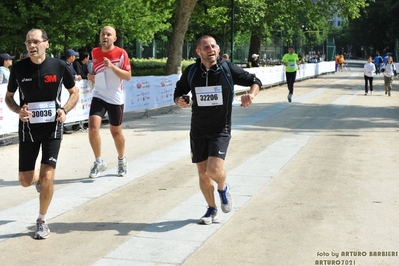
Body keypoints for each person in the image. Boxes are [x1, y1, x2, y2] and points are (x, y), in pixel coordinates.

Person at [174, 35, 262, 225]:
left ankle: (223, 187)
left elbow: (256, 81)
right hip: (197, 129)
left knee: (214, 170)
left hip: (220, 128)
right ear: (198, 52)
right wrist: (179, 100)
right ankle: (211, 209)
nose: (211, 49)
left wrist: (251, 95)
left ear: (218, 49)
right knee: (203, 173)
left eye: (213, 46)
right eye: (206, 47)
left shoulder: (227, 69)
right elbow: (179, 91)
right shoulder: (192, 71)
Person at [5, 28, 79, 239]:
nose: (31, 45)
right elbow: (9, 97)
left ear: (46, 43)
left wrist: (64, 110)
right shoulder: (18, 69)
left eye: (36, 41)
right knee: (25, 181)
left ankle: (41, 220)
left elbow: (74, 93)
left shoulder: (60, 66)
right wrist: (18, 110)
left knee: (48, 175)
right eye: (28, 42)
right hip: (28, 128)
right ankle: (39, 180)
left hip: (52, 127)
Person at [87, 26, 132, 178]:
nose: (105, 36)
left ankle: (121, 159)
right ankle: (99, 162)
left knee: (115, 132)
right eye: (103, 34)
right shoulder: (95, 52)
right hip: (99, 95)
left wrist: (112, 67)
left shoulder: (121, 53)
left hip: (115, 98)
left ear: (114, 38)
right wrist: (91, 76)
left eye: (108, 34)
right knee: (93, 128)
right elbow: (95, 71)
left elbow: (127, 76)